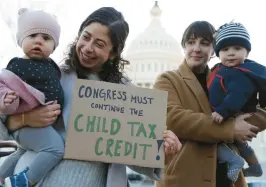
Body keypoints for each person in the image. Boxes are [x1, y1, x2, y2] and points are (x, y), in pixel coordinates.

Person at [0, 7, 182, 187]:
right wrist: (23, 119)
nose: (88, 48)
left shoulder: (130, 98)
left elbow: (135, 155)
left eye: (99, 44)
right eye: (85, 37)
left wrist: (164, 149)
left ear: (113, 53)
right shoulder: (49, 75)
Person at [153, 20, 266, 187]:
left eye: (204, 43)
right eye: (191, 42)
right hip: (184, 179)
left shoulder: (226, 77)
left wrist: (243, 124)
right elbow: (172, 118)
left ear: (214, 49)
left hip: (228, 181)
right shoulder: (167, 80)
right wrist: (230, 129)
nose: (197, 48)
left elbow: (259, 112)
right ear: (184, 47)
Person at [0, 8, 64, 187]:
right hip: (26, 126)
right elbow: (2, 84)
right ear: (21, 40)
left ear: (54, 46)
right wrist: (5, 99)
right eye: (32, 35)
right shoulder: (18, 65)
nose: (38, 41)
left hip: (38, 128)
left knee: (21, 152)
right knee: (56, 149)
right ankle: (23, 181)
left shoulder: (52, 66)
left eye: (46, 38)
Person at [208, 22, 265, 183]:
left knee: (214, 139)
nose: (231, 53)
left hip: (229, 113)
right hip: (231, 113)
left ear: (247, 52)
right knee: (239, 141)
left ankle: (235, 160)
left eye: (237, 49)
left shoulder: (239, 74)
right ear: (218, 53)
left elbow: (237, 95)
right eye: (225, 50)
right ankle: (254, 166)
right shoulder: (223, 70)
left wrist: (222, 112)